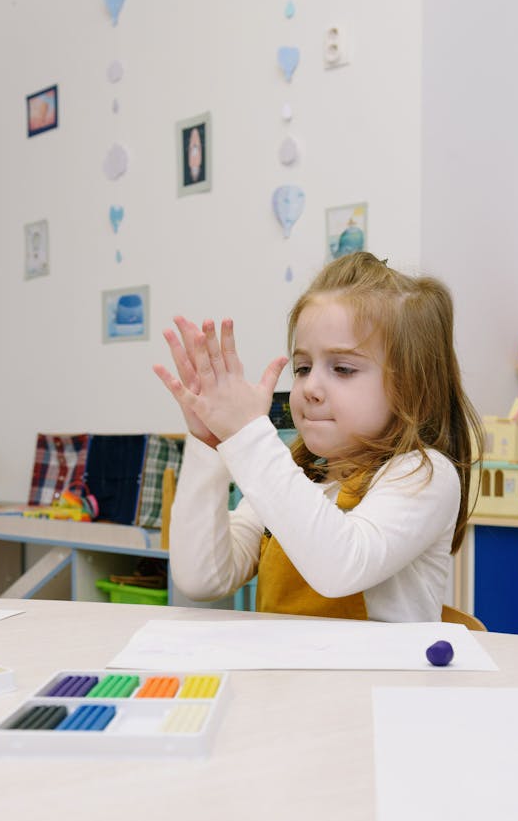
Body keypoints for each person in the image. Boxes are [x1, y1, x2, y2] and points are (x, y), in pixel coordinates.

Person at [153, 251, 483, 622]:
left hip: (372, 680)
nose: (310, 387)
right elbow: (202, 580)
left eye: (342, 369)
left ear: (411, 387)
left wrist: (248, 438)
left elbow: (342, 565)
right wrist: (210, 446)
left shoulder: (423, 474)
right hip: (287, 678)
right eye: (303, 367)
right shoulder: (298, 478)